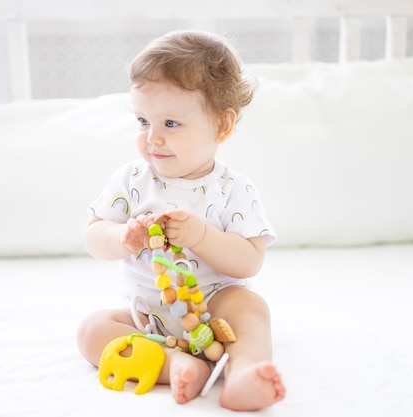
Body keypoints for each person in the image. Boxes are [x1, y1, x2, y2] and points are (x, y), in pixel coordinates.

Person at [77, 29, 286, 411]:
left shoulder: (233, 188)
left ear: (221, 126)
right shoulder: (131, 180)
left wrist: (201, 235)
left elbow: (249, 259)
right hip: (148, 317)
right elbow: (93, 235)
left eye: (170, 124)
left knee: (251, 309)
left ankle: (243, 370)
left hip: (216, 307)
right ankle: (177, 363)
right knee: (92, 331)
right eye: (142, 121)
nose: (152, 138)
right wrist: (124, 235)